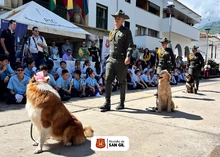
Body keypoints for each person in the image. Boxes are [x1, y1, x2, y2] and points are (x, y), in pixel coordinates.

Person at [99, 10, 133, 112]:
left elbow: (130, 46)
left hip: (121, 60)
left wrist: (128, 56)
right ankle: (107, 103)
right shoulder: (112, 31)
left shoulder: (126, 31)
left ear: (123, 20)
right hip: (111, 59)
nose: (116, 20)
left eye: (118, 18)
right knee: (108, 79)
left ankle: (121, 103)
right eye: (115, 18)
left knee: (122, 82)